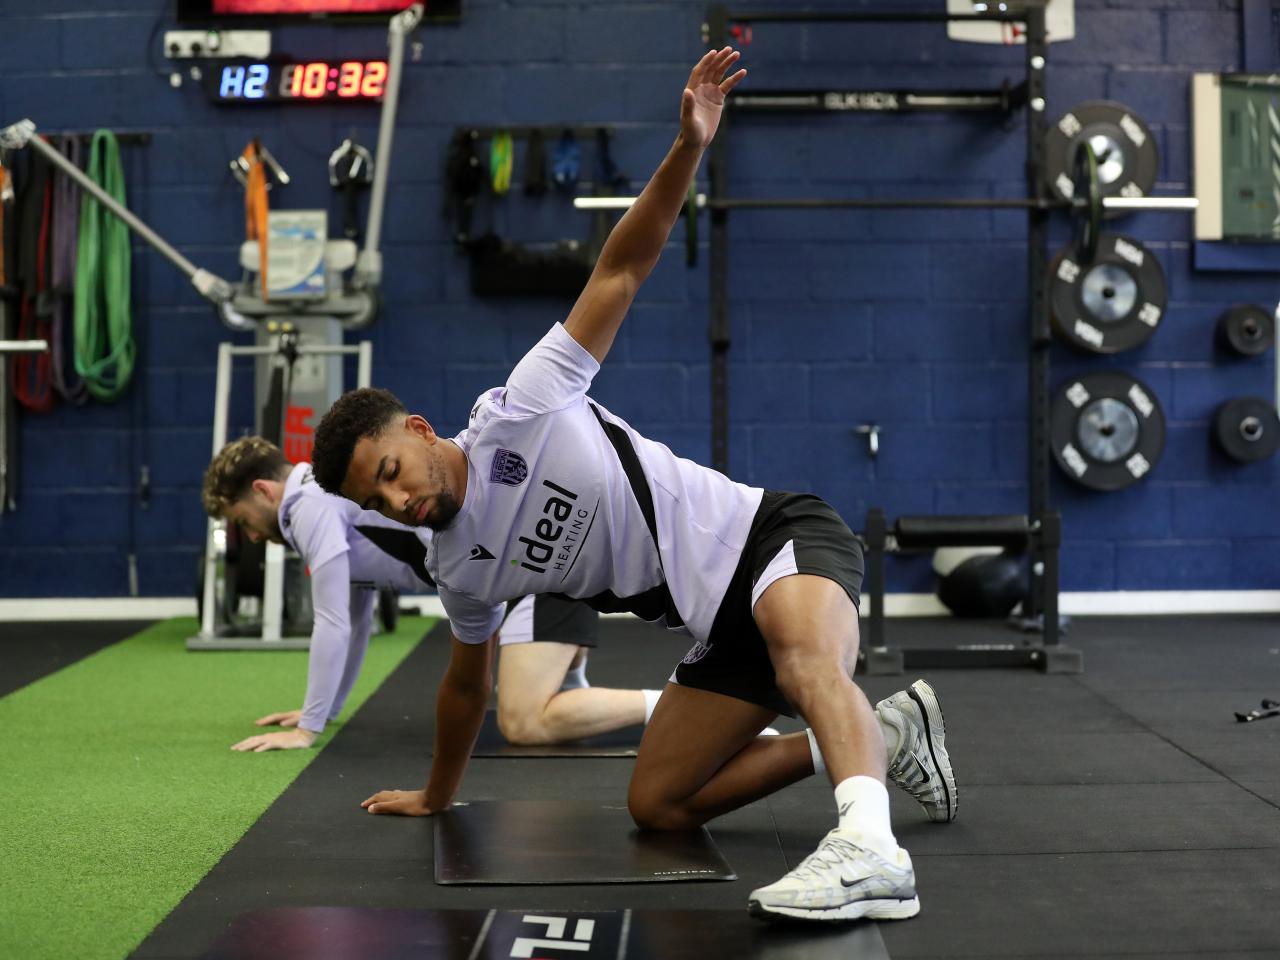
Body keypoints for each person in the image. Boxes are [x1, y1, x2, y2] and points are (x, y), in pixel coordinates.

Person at [310, 47, 957, 923]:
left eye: (389, 473)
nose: (396, 502)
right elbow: (466, 688)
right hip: (714, 624)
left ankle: (872, 848)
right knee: (658, 804)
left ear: (419, 432)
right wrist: (435, 795)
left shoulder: (524, 407)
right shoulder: (459, 567)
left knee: (806, 660)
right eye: (373, 503)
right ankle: (882, 732)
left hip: (773, 542)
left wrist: (688, 146)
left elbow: (621, 268)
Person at [200, 435, 664, 753]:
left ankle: (670, 709)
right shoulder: (320, 500)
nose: (253, 538)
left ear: (263, 490)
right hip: (524, 584)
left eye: (243, 522)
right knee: (552, 704)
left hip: (532, 582)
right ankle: (586, 698)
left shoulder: (306, 506)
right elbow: (358, 617)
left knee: (523, 724)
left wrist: (307, 730)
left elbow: (332, 622)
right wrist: (324, 711)